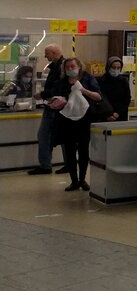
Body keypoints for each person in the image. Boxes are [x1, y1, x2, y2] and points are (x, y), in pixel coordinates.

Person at [48, 57, 104, 192]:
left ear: (79, 66)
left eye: (73, 66)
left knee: (84, 150)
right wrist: (58, 102)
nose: (70, 69)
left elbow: (98, 97)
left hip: (85, 120)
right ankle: (74, 180)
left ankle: (82, 179)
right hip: (67, 121)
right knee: (70, 151)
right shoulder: (61, 83)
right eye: (67, 67)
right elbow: (53, 98)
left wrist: (83, 90)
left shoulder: (88, 79)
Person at [28, 44, 64, 175]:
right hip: (54, 106)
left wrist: (42, 94)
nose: (45, 56)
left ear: (54, 53)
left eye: (47, 53)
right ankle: (65, 164)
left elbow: (58, 88)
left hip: (56, 107)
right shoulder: (56, 67)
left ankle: (45, 165)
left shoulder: (60, 68)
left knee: (44, 135)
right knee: (59, 136)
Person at [98, 57, 131, 121]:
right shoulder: (101, 81)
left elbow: (127, 99)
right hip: (104, 117)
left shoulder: (123, 81)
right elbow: (100, 100)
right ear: (108, 67)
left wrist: (117, 113)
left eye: (118, 68)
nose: (116, 70)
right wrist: (107, 115)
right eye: (113, 67)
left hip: (120, 116)